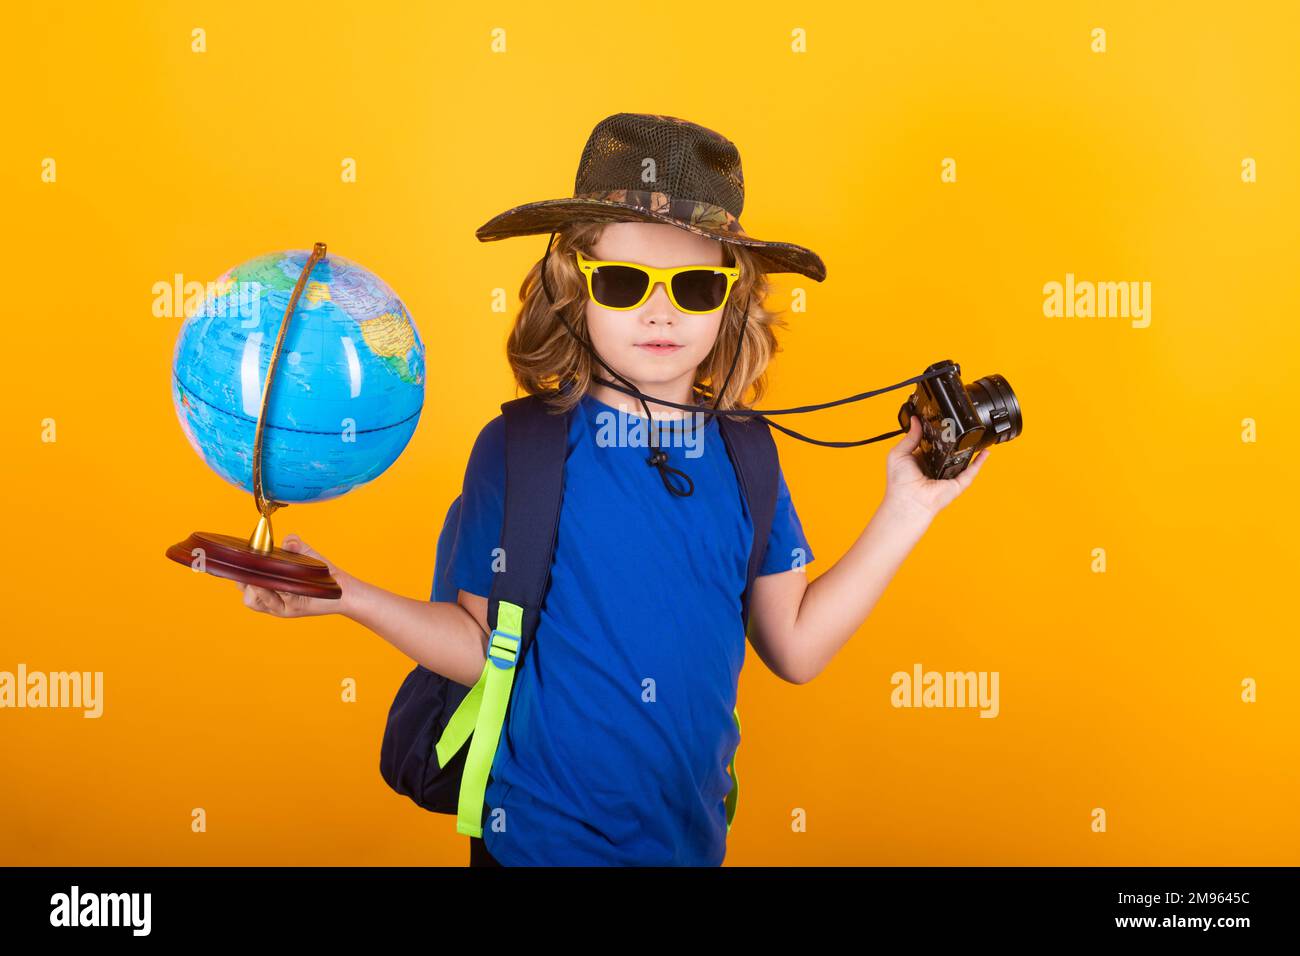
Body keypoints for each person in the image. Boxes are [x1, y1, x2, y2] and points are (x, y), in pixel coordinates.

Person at [236, 114, 990, 866]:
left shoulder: (750, 454)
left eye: (694, 286)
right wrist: (350, 596)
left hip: (687, 848)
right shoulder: (519, 452)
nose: (659, 311)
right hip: (533, 844)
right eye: (626, 283)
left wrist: (908, 508)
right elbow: (477, 646)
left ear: (729, 299)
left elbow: (793, 646)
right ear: (574, 290)